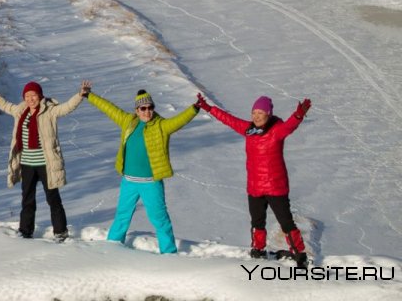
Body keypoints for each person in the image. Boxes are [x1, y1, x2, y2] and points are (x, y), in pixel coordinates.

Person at [195, 93, 312, 266]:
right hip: (255, 187)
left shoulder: (276, 131)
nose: (256, 116)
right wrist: (209, 108)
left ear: (268, 114)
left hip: (275, 186)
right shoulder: (249, 130)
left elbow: (289, 126)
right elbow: (229, 119)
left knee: (286, 222)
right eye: (254, 112)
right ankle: (258, 250)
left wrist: (298, 115)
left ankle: (299, 254)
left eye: (260, 112)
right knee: (257, 222)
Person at [84, 83, 200, 253]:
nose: (147, 112)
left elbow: (179, 121)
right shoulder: (128, 121)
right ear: (137, 110)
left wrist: (194, 108)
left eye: (150, 108)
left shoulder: (161, 126)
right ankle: (111, 248)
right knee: (122, 217)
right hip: (129, 182)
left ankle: (169, 252)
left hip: (151, 183)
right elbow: (109, 108)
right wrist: (89, 95)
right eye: (143, 108)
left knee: (160, 219)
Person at [0, 77, 89, 241]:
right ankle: (25, 230)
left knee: (53, 198)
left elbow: (67, 108)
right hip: (27, 164)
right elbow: (2, 103)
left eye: (34, 96)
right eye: (27, 96)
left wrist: (80, 95)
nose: (30, 99)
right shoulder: (20, 111)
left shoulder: (49, 111)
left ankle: (60, 231)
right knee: (27, 199)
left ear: (40, 96)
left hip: (46, 164)